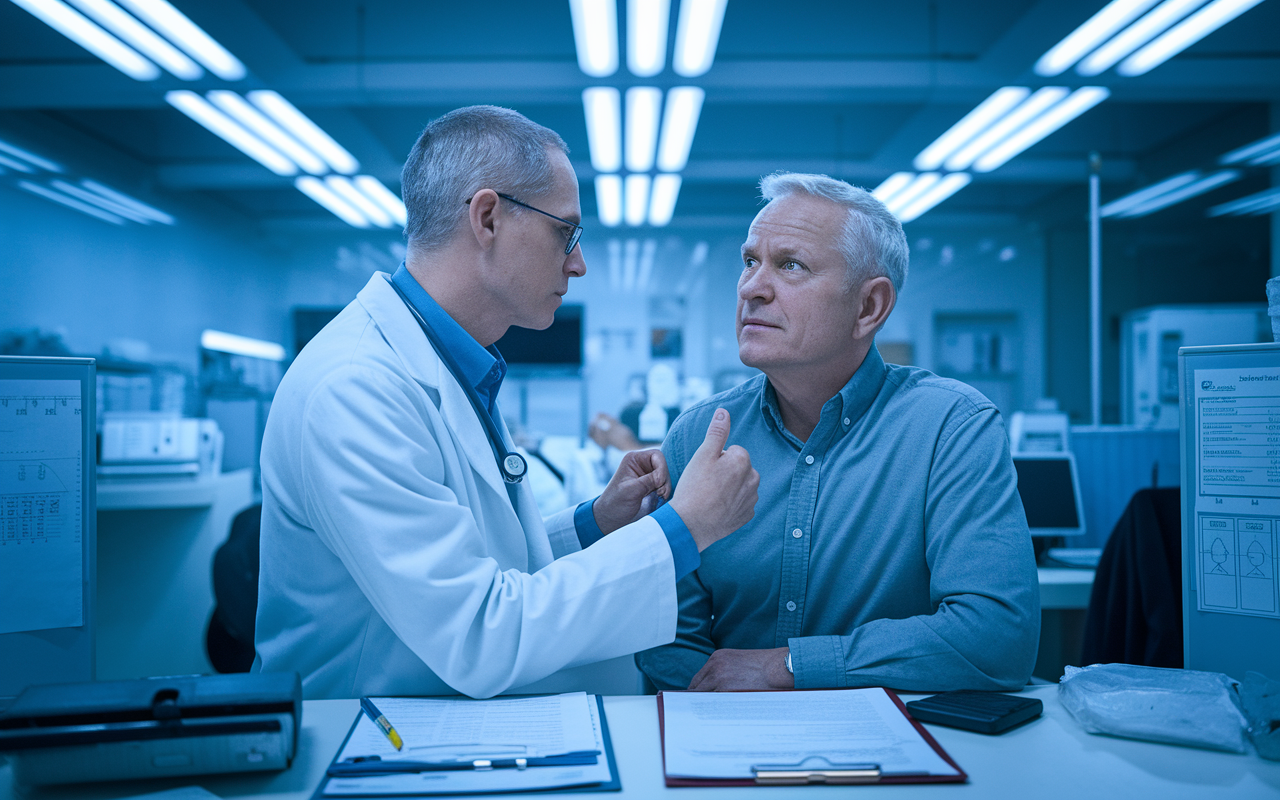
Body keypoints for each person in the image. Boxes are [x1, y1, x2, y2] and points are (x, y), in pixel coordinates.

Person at [254, 106, 758, 699]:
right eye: (564, 232)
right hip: (366, 741)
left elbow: (476, 561)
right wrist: (685, 526)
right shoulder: (354, 389)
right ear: (487, 217)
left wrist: (595, 523)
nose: (578, 262)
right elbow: (479, 632)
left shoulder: (449, 361)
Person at [635, 172, 1040, 693]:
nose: (752, 288)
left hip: (903, 749)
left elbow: (998, 636)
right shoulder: (701, 435)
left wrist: (786, 668)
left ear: (869, 307)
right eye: (750, 261)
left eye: (791, 265)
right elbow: (665, 642)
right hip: (724, 742)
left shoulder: (950, 428)